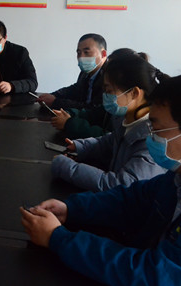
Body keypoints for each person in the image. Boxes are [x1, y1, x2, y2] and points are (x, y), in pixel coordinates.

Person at [20, 74, 181, 286]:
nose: (150, 138)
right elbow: (134, 199)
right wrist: (71, 209)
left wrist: (59, 239)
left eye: (157, 130)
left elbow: (157, 279)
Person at [50, 53, 166, 191]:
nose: (105, 96)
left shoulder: (154, 139)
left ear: (134, 93)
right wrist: (81, 146)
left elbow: (120, 185)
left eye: (109, 91)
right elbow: (110, 141)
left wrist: (67, 167)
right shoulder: (126, 118)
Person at [50, 48, 144, 140]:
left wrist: (69, 123)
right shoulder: (117, 104)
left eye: (109, 90)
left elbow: (107, 138)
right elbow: (92, 114)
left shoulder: (136, 120)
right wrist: (69, 113)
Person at [37, 33, 107, 110]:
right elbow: (75, 89)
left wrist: (55, 102)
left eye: (86, 52)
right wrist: (53, 95)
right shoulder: (86, 72)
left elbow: (92, 109)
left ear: (103, 54)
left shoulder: (110, 77)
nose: (81, 57)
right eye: (79, 53)